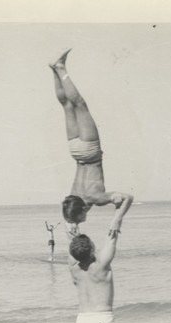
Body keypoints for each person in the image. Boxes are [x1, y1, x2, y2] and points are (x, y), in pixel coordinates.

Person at [49, 49, 133, 229]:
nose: (80, 221)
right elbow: (69, 215)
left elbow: (128, 197)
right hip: (75, 151)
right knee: (67, 106)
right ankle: (54, 71)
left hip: (90, 151)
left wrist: (117, 220)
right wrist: (73, 226)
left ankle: (60, 68)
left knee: (80, 104)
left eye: (79, 219)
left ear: (81, 211)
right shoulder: (71, 197)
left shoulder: (95, 199)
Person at [66, 188, 133, 323]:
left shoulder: (73, 266)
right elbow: (127, 198)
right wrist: (117, 219)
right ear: (92, 250)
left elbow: (71, 230)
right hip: (103, 319)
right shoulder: (102, 263)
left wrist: (80, 212)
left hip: (82, 320)